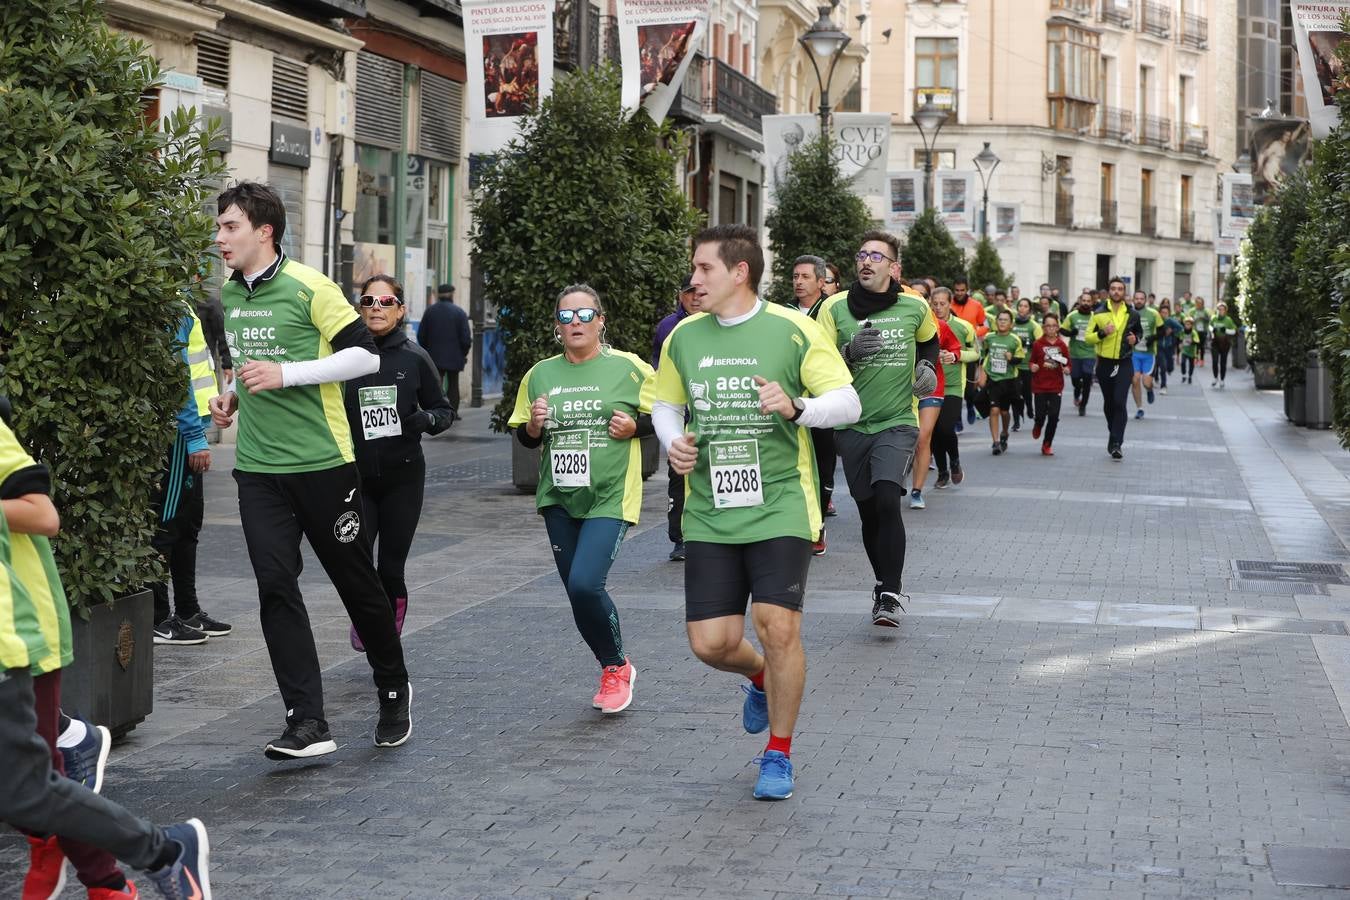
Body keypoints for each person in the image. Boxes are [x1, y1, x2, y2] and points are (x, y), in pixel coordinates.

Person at [654, 224, 859, 801]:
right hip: (712, 508)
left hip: (780, 504)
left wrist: (796, 407)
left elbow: (847, 402)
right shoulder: (683, 338)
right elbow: (666, 403)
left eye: (703, 269)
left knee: (778, 627)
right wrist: (674, 442)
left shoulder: (794, 329)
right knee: (711, 643)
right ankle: (759, 677)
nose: (694, 280)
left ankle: (779, 752)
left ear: (739, 272)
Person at [209, 182, 411, 759]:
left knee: (356, 584)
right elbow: (249, 366)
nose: (220, 238)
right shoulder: (231, 293)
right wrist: (231, 398)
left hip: (323, 464)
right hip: (258, 469)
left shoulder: (309, 286)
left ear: (264, 231)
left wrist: (287, 374)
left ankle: (392, 685)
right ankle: (307, 721)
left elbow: (363, 355)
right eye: (220, 227)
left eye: (230, 227)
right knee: (275, 586)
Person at [0, 415, 211, 900]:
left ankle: (141, 860)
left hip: (22, 626)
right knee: (31, 787)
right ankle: (111, 878)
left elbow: (44, 515)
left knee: (30, 789)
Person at [511, 284, 654, 714]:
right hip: (558, 494)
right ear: (557, 326)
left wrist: (637, 428)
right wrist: (533, 428)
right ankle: (612, 664)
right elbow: (523, 434)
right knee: (577, 593)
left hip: (610, 494)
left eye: (585, 315)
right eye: (567, 316)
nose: (576, 323)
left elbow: (672, 411)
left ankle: (615, 667)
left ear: (601, 321)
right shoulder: (540, 374)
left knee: (585, 583)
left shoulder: (629, 369)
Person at [815, 231, 938, 628]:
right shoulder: (833, 308)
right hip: (850, 424)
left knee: (887, 498)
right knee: (869, 511)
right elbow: (814, 364)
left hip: (898, 419)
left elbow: (930, 342)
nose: (866, 262)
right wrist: (847, 355)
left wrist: (928, 367)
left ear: (894, 267)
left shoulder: (914, 306)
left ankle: (890, 591)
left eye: (877, 256)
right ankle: (882, 582)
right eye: (862, 255)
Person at [342, 275, 454, 652]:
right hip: (356, 476)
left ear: (401, 310)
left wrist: (427, 420)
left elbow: (443, 410)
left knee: (389, 567)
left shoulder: (414, 357)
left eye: (386, 302)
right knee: (355, 561)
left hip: (402, 477)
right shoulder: (344, 356)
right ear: (359, 308)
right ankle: (368, 618)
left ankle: (389, 622)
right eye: (369, 301)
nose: (376, 308)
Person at [151, 301, 232, 646]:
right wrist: (194, 435)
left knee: (187, 526)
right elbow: (177, 377)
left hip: (190, 430)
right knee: (166, 527)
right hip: (179, 436)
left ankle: (187, 610)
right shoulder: (169, 306)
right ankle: (157, 617)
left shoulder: (182, 302)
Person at [793, 255, 839, 554]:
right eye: (795, 276)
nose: (798, 282)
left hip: (823, 401)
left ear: (821, 282)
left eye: (805, 277)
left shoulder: (832, 310)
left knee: (823, 465)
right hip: (792, 402)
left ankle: (818, 523)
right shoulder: (783, 313)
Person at [652, 275, 700, 561]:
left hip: (707, 408)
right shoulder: (668, 327)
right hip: (676, 408)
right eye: (688, 292)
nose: (694, 297)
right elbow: (657, 365)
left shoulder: (715, 322)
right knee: (677, 471)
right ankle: (680, 537)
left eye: (698, 291)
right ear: (680, 296)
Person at [908, 304, 963, 510]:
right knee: (906, 437)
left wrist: (952, 356)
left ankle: (917, 491)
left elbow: (955, 348)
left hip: (932, 386)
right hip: (902, 387)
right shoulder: (899, 323)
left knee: (922, 437)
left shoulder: (939, 325)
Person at [925, 287, 977, 490]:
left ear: (950, 304)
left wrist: (957, 356)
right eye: (935, 304)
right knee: (935, 431)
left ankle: (954, 461)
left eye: (942, 304)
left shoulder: (964, 327)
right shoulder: (926, 326)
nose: (938, 308)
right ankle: (942, 471)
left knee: (946, 428)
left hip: (954, 386)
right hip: (931, 385)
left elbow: (975, 354)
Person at [1086, 276, 1143, 460]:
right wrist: (1103, 332)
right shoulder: (1099, 312)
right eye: (1114, 288)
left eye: (1120, 288)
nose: (1117, 291)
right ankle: (1114, 433)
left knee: (1119, 401)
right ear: (1109, 291)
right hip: (1105, 364)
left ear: (1124, 292)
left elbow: (1139, 332)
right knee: (1109, 403)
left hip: (1124, 363)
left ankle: (1116, 442)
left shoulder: (1133, 314)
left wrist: (1136, 339)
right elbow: (1088, 337)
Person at [416, 283, 473, 415]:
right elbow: (466, 338)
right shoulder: (459, 313)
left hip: (434, 356)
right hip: (455, 356)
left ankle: (436, 410)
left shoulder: (430, 312)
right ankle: (453, 412)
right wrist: (462, 353)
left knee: (436, 384)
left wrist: (427, 352)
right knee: (453, 384)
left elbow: (421, 335)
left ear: (438, 296)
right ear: (452, 295)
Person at [982, 310, 1023, 455]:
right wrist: (981, 373)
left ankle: (1004, 432)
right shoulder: (989, 337)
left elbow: (1020, 358)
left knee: (1005, 412)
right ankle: (995, 442)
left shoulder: (1015, 339)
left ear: (1011, 324)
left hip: (1009, 380)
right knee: (994, 410)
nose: (1002, 322)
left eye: (1005, 320)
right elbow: (984, 354)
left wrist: (1011, 358)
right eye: (1000, 319)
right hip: (993, 379)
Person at [1029, 312, 1070, 456]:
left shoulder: (1061, 345)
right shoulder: (1037, 344)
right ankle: (1038, 424)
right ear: (1043, 328)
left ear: (1058, 327)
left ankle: (1047, 444)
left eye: (1054, 326)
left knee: (1053, 416)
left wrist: (1067, 369)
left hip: (1056, 386)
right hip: (1040, 385)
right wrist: (1032, 366)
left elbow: (1068, 363)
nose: (1051, 329)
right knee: (1040, 414)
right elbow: (1032, 361)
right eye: (1048, 326)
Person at [1130, 290, 1164, 419]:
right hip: (1134, 353)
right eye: (1136, 298)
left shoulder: (1154, 313)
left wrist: (1153, 338)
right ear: (1133, 300)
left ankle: (1149, 390)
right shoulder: (1129, 313)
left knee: (1146, 383)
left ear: (1145, 300)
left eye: (1141, 298)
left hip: (1149, 354)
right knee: (1134, 380)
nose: (1139, 300)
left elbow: (1162, 331)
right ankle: (1140, 408)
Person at [1010, 298, 1043, 432]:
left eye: (1025, 306)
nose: (1022, 308)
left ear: (1029, 309)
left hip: (1028, 365)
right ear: (1017, 308)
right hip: (1015, 365)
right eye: (1020, 306)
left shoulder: (1033, 325)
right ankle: (1017, 420)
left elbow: (1040, 344)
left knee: (1027, 392)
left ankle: (1029, 408)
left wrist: (1029, 344)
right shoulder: (1012, 325)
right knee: (1015, 394)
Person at [1063, 292, 1097, 416]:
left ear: (1092, 302)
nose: (1086, 303)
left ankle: (1083, 406)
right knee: (1075, 380)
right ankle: (1077, 391)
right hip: (1075, 354)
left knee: (1088, 378)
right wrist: (1072, 333)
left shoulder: (1095, 316)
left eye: (1088, 301)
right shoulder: (1072, 316)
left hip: (1090, 353)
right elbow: (1062, 330)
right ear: (1080, 301)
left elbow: (1101, 332)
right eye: (1084, 301)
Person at [1156, 299, 1182, 394]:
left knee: (1169, 366)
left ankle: (1170, 368)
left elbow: (1180, 328)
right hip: (1159, 347)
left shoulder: (1170, 321)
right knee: (1162, 366)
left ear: (1169, 313)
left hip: (1169, 346)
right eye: (1162, 312)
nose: (1164, 314)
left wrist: (1172, 331)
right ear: (1159, 313)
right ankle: (1163, 386)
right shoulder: (1157, 321)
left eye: (1166, 313)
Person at [1210, 302, 1238, 388]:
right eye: (1219, 309)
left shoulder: (1228, 320)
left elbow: (1234, 331)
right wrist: (1212, 329)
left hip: (1225, 343)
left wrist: (1225, 330)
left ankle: (1222, 379)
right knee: (1215, 361)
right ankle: (1215, 377)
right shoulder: (1214, 318)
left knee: (1223, 362)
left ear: (1225, 311)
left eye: (1222, 309)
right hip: (1215, 342)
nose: (1221, 311)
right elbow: (1210, 326)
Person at [1179, 316, 1201, 383]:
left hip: (1192, 352)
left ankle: (1190, 376)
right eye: (1186, 324)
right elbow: (1180, 339)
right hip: (1184, 351)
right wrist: (1180, 344)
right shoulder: (1182, 331)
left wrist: (1192, 342)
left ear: (1191, 325)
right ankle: (1184, 375)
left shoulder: (1194, 332)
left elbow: (1197, 341)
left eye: (1189, 324)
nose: (1187, 326)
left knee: (1191, 365)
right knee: (1183, 363)